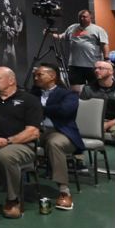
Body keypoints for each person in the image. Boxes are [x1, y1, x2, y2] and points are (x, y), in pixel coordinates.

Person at [0, 67, 43, 219]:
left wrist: (8, 141)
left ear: (11, 80)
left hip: (22, 145)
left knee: (5, 155)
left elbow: (33, 132)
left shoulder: (29, 100)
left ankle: (13, 199)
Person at [30, 64, 83, 211]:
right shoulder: (33, 94)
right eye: (35, 75)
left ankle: (64, 191)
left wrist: (39, 109)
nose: (36, 78)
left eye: (40, 75)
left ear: (52, 76)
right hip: (35, 131)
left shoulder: (68, 94)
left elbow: (64, 111)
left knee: (54, 143)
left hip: (61, 132)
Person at [57, 10, 110, 86]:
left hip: (92, 65)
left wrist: (107, 59)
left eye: (84, 17)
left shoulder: (98, 30)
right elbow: (62, 36)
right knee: (75, 88)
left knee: (94, 87)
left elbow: (104, 44)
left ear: (90, 17)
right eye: (80, 17)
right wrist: (51, 34)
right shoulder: (72, 27)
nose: (81, 18)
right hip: (75, 65)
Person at [80, 60, 115, 135]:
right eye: (95, 68)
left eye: (100, 68)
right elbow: (83, 111)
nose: (96, 70)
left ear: (111, 72)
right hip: (93, 122)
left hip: (114, 122)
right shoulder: (88, 89)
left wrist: (107, 125)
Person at [0, 0, 24, 68]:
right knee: (3, 63)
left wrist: (11, 29)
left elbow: (18, 29)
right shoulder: (0, 16)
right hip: (3, 43)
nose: (7, 6)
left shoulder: (13, 17)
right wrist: (0, 29)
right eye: (4, 1)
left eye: (7, 1)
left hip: (11, 43)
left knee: (14, 64)